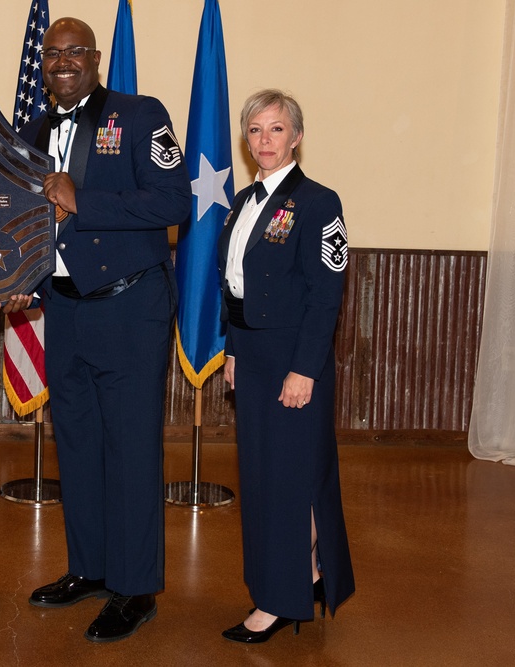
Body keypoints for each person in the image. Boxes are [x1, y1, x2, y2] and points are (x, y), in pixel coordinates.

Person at [17, 17, 192, 643]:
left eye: (75, 53)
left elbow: (176, 203)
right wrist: (13, 278)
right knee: (80, 447)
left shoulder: (141, 114)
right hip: (61, 307)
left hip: (129, 308)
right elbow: (20, 220)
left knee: (131, 450)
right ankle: (89, 568)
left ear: (95, 58)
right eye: (53, 54)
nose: (63, 63)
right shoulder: (32, 130)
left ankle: (135, 586)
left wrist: (81, 197)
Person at [217, 89, 355, 643]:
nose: (264, 141)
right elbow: (235, 287)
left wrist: (305, 370)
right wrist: (232, 348)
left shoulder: (320, 202)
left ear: (296, 136)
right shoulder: (243, 202)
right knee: (266, 476)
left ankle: (279, 598)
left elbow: (327, 296)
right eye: (254, 130)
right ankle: (309, 574)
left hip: (295, 360)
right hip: (251, 356)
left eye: (276, 130)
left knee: (291, 478)